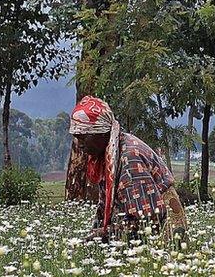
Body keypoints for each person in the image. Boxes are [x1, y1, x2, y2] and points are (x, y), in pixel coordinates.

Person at [69, 95, 187, 243]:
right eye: (76, 137)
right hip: (135, 230)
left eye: (83, 137)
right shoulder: (109, 155)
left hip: (163, 233)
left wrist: (105, 234)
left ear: (102, 133)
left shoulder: (130, 159)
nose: (79, 144)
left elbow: (148, 219)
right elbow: (105, 207)